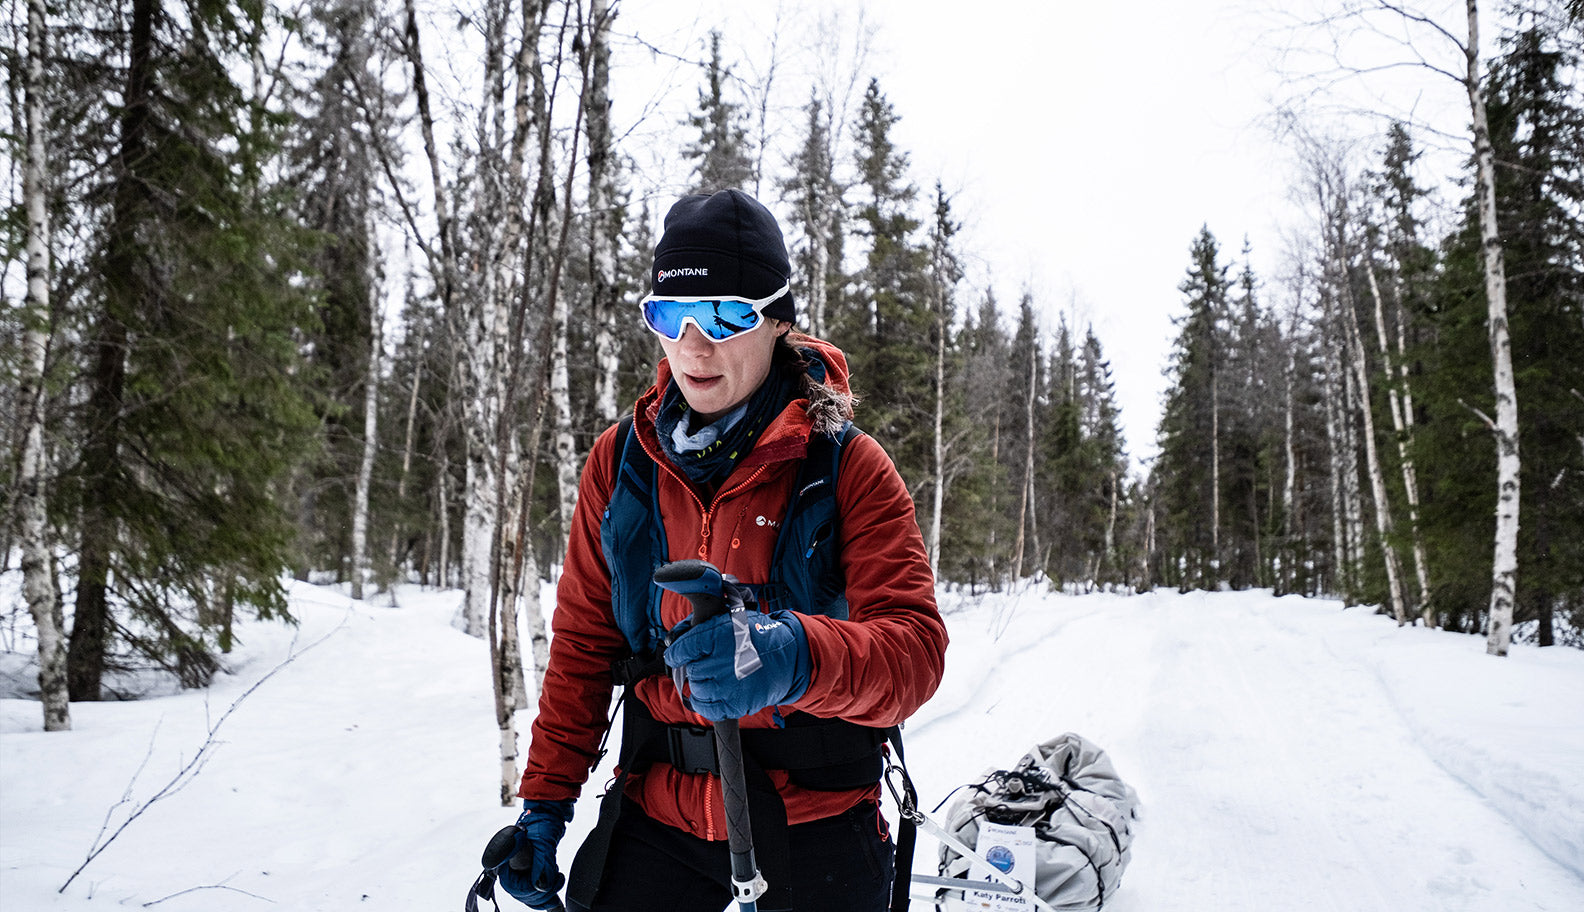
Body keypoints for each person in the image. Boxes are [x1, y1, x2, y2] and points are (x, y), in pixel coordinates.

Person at [484, 188, 948, 912]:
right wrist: (544, 805)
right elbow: (581, 646)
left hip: (816, 819)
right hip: (659, 812)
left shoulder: (847, 468)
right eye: (670, 317)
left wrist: (794, 656)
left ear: (778, 323)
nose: (694, 347)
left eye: (729, 315)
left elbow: (915, 656)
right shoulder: (621, 464)